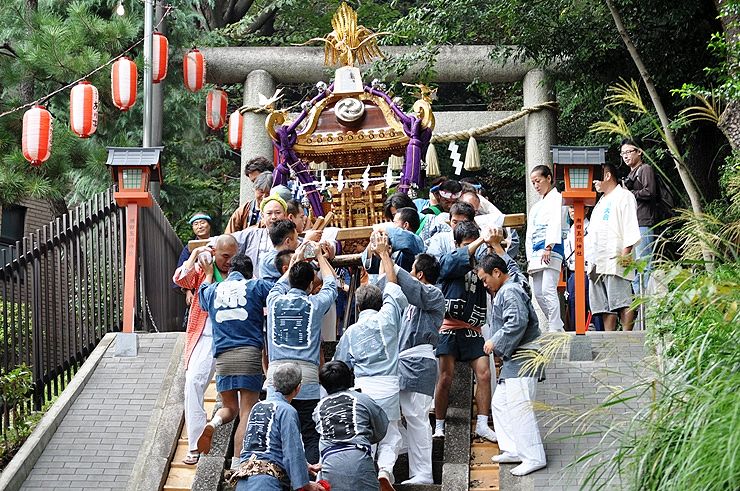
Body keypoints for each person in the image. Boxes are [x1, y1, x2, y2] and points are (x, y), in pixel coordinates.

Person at [333, 232, 409, 490]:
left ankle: (367, 471)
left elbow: (341, 364)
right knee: (392, 434)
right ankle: (385, 470)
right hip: (389, 386)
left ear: (358, 306)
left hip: (363, 388)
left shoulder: (350, 332)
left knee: (365, 433)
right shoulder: (388, 317)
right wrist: (384, 253)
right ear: (380, 303)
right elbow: (393, 287)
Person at [266, 242, 338, 464]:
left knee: (274, 432)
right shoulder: (314, 304)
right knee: (310, 434)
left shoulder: (273, 300)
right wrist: (319, 256)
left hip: (276, 375)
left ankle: (277, 476)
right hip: (306, 377)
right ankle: (311, 475)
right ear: (310, 285)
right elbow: (331, 285)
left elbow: (280, 284)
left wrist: (295, 261)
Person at [376, 253, 444, 485]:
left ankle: (423, 473)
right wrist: (382, 257)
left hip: (420, 362)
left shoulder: (434, 294)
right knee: (393, 414)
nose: (409, 275)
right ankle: (404, 449)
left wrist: (388, 257)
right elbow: (385, 287)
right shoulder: (408, 300)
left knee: (417, 417)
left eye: (412, 270)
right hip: (402, 363)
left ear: (420, 274)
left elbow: (414, 289)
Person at [476, 253, 547, 477]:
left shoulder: (510, 290)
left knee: (520, 408)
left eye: (485, 279)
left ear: (497, 272)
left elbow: (517, 322)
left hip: (524, 357)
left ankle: (534, 457)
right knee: (500, 404)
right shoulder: (508, 289)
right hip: (515, 359)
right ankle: (514, 448)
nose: (484, 284)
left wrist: (495, 341)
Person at [196, 253, 271, 460]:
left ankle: (213, 424)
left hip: (223, 358)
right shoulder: (255, 286)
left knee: (229, 408)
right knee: (247, 411)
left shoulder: (213, 290)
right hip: (248, 355)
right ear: (250, 273)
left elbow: (202, 296)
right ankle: (237, 462)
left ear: (230, 271)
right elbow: (278, 290)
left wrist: (209, 274)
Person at [172, 234, 238, 465]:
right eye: (225, 256)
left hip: (232, 337)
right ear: (214, 252)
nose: (229, 261)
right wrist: (193, 255)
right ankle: (195, 443)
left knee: (238, 392)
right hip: (204, 335)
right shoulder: (203, 268)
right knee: (192, 383)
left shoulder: (240, 271)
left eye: (233, 256)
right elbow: (180, 279)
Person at [433, 221, 498, 443]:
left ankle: (482, 423)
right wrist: (480, 240)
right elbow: (450, 264)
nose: (472, 248)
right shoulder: (447, 261)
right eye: (466, 244)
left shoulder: (482, 264)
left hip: (472, 329)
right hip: (449, 328)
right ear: (457, 244)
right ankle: (439, 425)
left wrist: (492, 244)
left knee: (485, 373)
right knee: (445, 377)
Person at [232, 363, 324, 491]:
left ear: (273, 384)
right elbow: (292, 451)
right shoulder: (287, 411)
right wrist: (305, 484)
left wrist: (304, 465)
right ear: (298, 388)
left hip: (244, 479)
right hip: (266, 482)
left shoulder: (257, 407)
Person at [313, 360, 389, 491]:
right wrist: (366, 438)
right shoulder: (363, 399)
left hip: (330, 462)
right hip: (359, 457)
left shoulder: (318, 408)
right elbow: (381, 427)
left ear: (323, 384)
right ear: (349, 377)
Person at [589, 162, 641, 331]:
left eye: (596, 178)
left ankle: (627, 336)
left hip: (616, 255)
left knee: (622, 300)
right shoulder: (600, 201)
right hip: (598, 258)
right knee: (604, 305)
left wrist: (626, 253)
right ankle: (609, 338)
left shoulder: (624, 196)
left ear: (607, 175)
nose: (593, 182)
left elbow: (630, 225)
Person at [525, 165, 565, 333]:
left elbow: (556, 222)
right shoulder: (536, 206)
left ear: (549, 178)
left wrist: (548, 246)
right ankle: (555, 323)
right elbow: (530, 232)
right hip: (536, 251)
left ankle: (555, 327)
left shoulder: (557, 198)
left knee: (548, 288)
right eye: (533, 182)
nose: (536, 186)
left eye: (538, 181)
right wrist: (529, 257)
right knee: (538, 293)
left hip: (551, 248)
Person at [620, 138, 658, 294]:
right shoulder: (631, 174)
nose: (626, 156)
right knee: (635, 267)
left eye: (629, 152)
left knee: (644, 264)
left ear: (639, 152)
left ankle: (647, 302)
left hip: (644, 222)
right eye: (623, 153)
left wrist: (630, 193)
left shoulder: (645, 169)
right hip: (634, 225)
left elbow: (650, 192)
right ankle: (640, 302)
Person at [563, 206, 603, 331]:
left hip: (587, 272)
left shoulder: (591, 228)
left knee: (593, 306)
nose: (573, 210)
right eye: (570, 207)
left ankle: (599, 333)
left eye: (576, 207)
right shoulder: (569, 230)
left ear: (586, 210)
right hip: (572, 272)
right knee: (573, 305)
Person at [232, 194, 289, 277]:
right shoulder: (251, 234)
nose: (273, 217)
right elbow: (226, 240)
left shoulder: (292, 237)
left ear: (285, 215)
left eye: (278, 213)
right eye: (269, 213)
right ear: (262, 216)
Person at [225, 167, 275, 233]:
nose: (264, 197)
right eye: (261, 192)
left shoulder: (276, 212)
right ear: (254, 189)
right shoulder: (243, 210)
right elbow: (229, 233)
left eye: (268, 193)